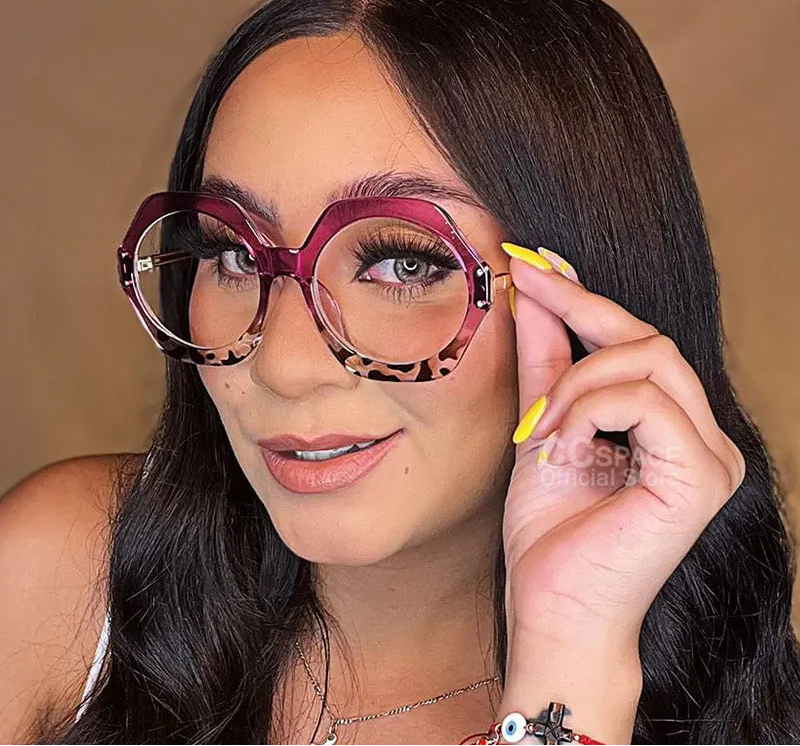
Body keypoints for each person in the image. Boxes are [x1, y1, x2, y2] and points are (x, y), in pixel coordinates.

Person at [2, 1, 799, 743]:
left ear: (579, 290)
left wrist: (571, 652)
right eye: (234, 254)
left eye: (404, 264)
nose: (282, 365)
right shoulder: (59, 580)